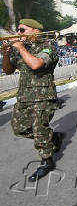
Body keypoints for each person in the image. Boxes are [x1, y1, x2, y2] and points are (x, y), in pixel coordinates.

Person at [1, 19, 64, 181]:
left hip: (43, 96)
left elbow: (36, 64)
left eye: (22, 30)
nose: (18, 33)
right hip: (24, 96)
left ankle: (47, 161)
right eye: (19, 30)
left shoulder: (48, 47)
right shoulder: (22, 49)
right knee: (18, 128)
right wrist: (6, 54)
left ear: (35, 31)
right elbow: (8, 70)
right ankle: (52, 137)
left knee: (38, 128)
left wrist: (20, 48)